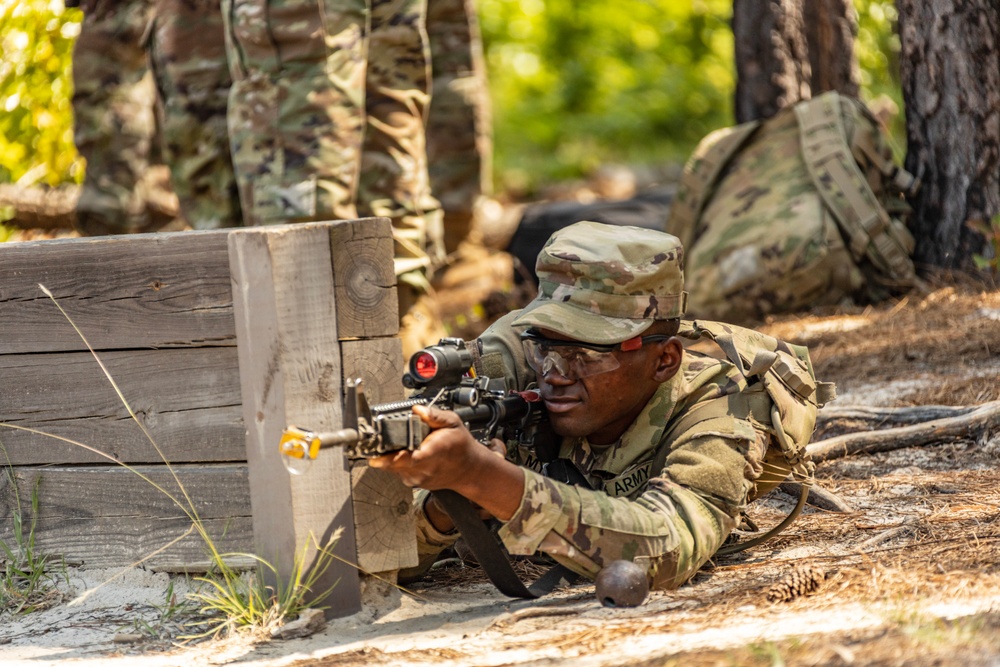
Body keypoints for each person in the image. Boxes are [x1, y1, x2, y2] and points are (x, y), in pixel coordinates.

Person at [371, 220, 829, 589]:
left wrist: (486, 479)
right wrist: (442, 507)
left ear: (664, 360)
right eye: (545, 346)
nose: (555, 371)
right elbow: (371, 547)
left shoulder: (724, 406)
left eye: (588, 354)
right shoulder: (511, 363)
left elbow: (667, 549)